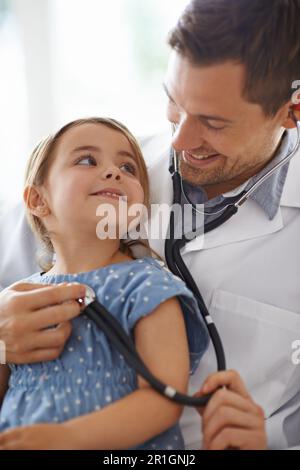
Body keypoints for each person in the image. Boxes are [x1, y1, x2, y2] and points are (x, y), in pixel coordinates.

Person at [1, 0, 300, 450]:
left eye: (213, 123)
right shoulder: (93, 175)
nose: (179, 140)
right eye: (174, 101)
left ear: (292, 112)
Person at [0, 117, 209, 450]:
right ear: (39, 200)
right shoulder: (18, 301)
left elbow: (164, 400)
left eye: (128, 167)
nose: (114, 172)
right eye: (87, 160)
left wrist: (67, 439)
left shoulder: (148, 286)